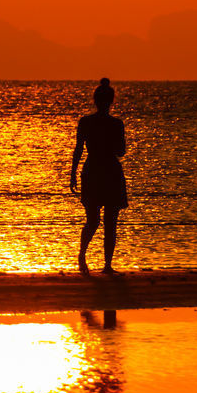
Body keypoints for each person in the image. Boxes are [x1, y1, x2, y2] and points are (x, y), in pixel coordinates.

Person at [70, 77, 128, 276]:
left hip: (95, 170)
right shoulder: (115, 124)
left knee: (96, 220)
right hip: (107, 171)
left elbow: (79, 150)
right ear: (111, 101)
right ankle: (103, 264)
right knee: (107, 221)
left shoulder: (87, 122)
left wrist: (73, 174)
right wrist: (73, 174)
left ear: (95, 100)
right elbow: (121, 151)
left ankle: (89, 259)